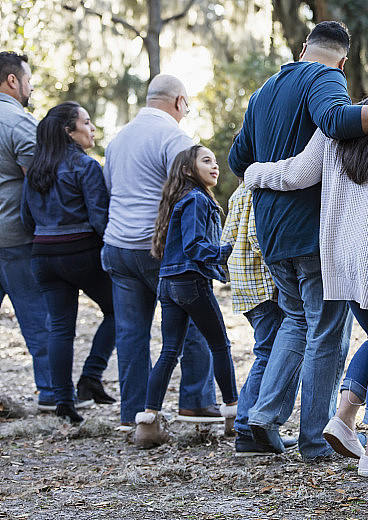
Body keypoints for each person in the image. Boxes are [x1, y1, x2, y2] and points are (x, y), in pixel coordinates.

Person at [228, 21, 368, 461]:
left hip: (271, 230)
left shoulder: (264, 90)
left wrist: (259, 174)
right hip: (310, 230)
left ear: (305, 46)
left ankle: (262, 417)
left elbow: (237, 157)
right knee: (327, 335)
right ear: (343, 59)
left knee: (295, 322)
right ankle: (312, 440)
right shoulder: (326, 78)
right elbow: (338, 121)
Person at [102, 74, 218, 431]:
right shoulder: (175, 138)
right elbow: (187, 193)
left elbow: (110, 187)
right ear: (179, 102)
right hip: (159, 249)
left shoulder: (117, 139)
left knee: (130, 332)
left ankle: (133, 412)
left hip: (118, 245)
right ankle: (196, 402)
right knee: (198, 318)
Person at [134, 145, 237, 448]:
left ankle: (147, 425)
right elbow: (194, 246)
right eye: (206, 161)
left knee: (169, 352)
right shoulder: (196, 199)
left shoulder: (182, 198)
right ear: (188, 170)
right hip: (190, 282)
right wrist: (225, 251)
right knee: (221, 344)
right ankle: (234, 417)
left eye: (215, 161)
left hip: (168, 283)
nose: (214, 166)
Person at [19, 102, 116, 423]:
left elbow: (25, 218)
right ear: (69, 131)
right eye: (86, 122)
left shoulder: (35, 169)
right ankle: (91, 376)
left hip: (43, 255)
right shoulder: (85, 166)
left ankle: (63, 401)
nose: (91, 129)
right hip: (81, 253)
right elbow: (100, 219)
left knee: (60, 328)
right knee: (119, 310)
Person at [221, 181, 298, 455]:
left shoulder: (238, 193)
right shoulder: (258, 190)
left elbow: (226, 240)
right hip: (265, 288)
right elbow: (261, 238)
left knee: (266, 353)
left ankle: (251, 429)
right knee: (268, 355)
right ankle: (247, 430)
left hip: (247, 288)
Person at [0, 51, 57, 411]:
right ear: (12, 81)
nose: (31, 86)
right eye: (29, 79)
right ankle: (50, 393)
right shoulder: (19, 123)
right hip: (14, 238)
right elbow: (37, 183)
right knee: (38, 319)